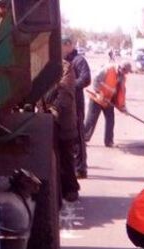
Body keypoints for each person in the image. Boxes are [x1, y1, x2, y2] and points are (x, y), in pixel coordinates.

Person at [44, 59, 80, 202]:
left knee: (66, 158)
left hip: (64, 122)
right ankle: (59, 191)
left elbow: (66, 94)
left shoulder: (66, 68)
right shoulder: (39, 65)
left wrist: (54, 109)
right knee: (54, 159)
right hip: (47, 118)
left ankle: (71, 188)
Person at [83, 61, 132, 148]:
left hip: (107, 101)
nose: (126, 74)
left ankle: (109, 141)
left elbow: (121, 94)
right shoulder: (108, 69)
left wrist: (123, 107)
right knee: (91, 120)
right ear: (122, 68)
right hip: (96, 99)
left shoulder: (122, 78)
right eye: (126, 72)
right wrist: (98, 92)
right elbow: (95, 80)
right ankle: (83, 140)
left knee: (110, 120)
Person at [62, 36, 91, 179]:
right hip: (66, 103)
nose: (61, 49)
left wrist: (70, 87)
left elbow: (86, 79)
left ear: (69, 45)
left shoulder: (79, 60)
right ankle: (73, 166)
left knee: (79, 135)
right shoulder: (64, 60)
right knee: (70, 136)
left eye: (63, 46)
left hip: (76, 102)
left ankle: (81, 168)